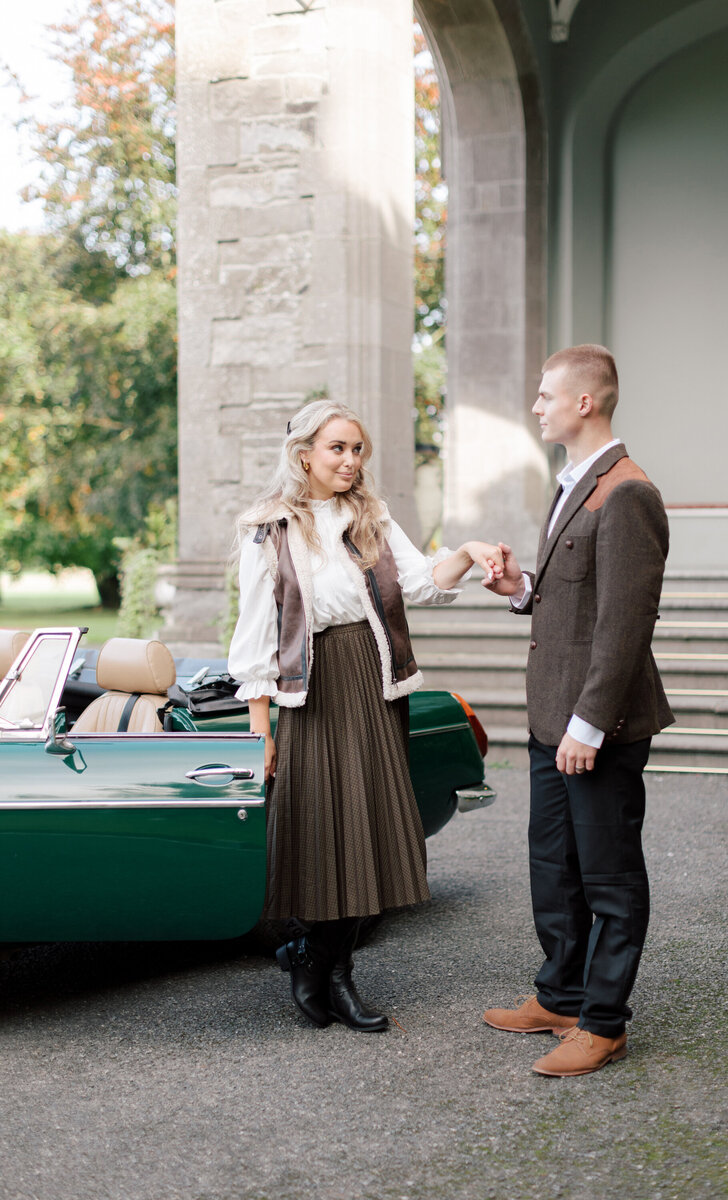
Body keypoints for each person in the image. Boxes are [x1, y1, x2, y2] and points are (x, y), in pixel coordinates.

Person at [228, 399, 505, 1033]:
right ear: (304, 455)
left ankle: (332, 969)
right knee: (322, 832)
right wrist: (260, 727)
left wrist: (464, 550)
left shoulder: (371, 517)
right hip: (310, 690)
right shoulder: (267, 528)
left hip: (371, 683)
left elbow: (423, 583)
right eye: (338, 449)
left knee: (368, 834)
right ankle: (312, 957)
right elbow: (255, 634)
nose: (351, 461)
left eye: (358, 450)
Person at [480, 344, 674, 1076]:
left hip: (596, 725)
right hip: (550, 717)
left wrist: (588, 725)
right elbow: (578, 594)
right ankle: (559, 995)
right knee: (552, 865)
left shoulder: (628, 491)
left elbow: (625, 624)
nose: (537, 407)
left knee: (609, 875)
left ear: (584, 403)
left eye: (545, 396)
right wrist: (521, 587)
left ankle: (604, 1021)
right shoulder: (574, 482)